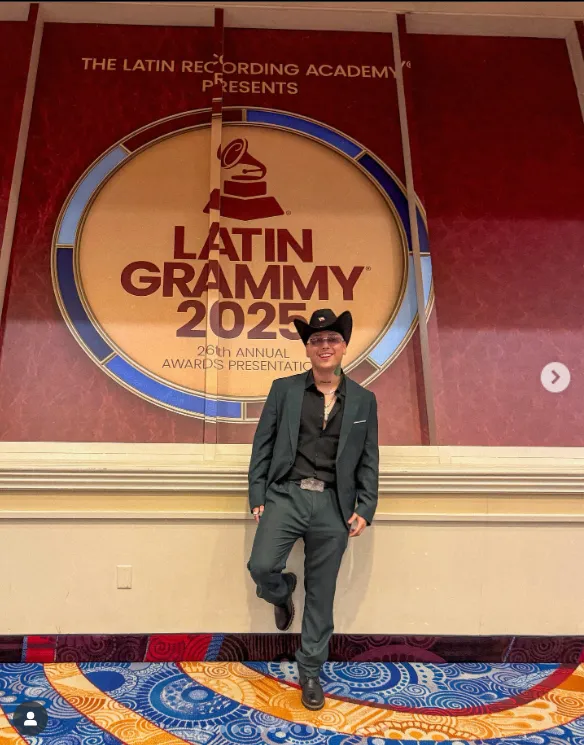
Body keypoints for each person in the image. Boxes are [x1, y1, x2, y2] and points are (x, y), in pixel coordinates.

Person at [247, 308, 379, 711]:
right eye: (317, 340)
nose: (325, 346)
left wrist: (366, 505)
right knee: (262, 565)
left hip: (333, 504)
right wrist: (257, 494)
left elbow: (369, 457)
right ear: (307, 348)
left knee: (322, 593)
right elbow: (263, 444)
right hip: (286, 495)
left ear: (343, 347)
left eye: (332, 339)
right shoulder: (284, 390)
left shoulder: (364, 400)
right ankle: (281, 591)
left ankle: (310, 671)